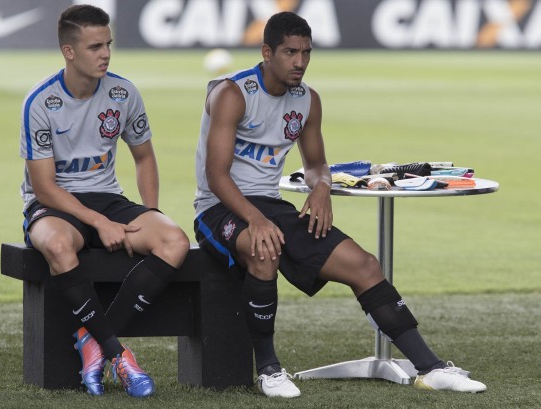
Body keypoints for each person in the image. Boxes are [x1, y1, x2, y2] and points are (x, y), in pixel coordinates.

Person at [193, 11, 487, 398]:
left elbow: (315, 165)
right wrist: (256, 221)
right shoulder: (232, 94)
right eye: (289, 52)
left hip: (269, 204)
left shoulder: (307, 101)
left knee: (364, 264)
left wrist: (321, 187)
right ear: (267, 52)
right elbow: (217, 175)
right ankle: (268, 370)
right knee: (265, 249)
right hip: (218, 209)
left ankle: (430, 368)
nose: (300, 62)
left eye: (306, 53)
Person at [19, 4, 190, 398]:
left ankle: (91, 338)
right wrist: (98, 222)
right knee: (58, 245)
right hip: (55, 204)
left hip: (108, 197)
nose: (106, 54)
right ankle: (118, 352)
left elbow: (144, 157)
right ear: (69, 51)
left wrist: (151, 212)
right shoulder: (41, 102)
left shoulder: (123, 92)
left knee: (174, 241)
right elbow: (44, 187)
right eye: (95, 46)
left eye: (108, 44)